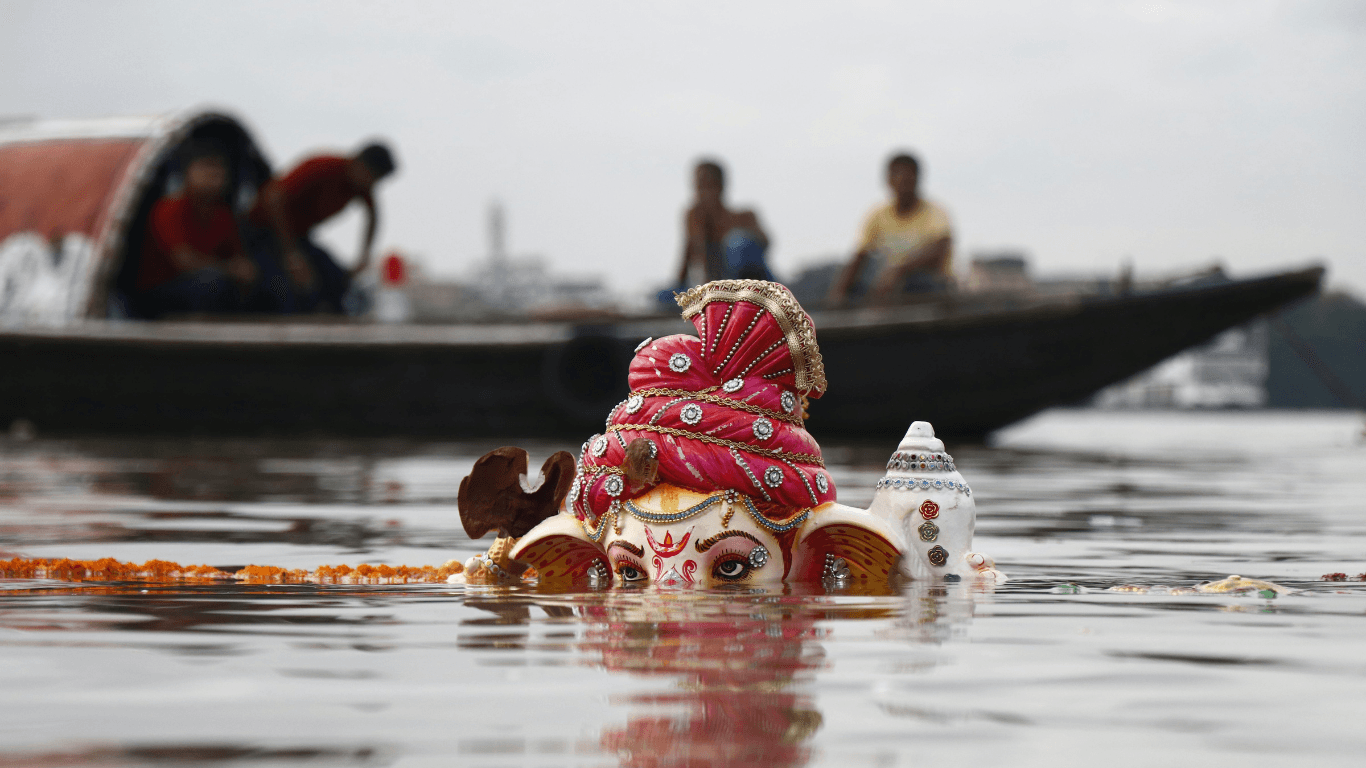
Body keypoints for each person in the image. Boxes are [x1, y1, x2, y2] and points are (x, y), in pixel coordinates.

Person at [248, 142, 397, 312]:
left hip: (298, 236)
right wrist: (291, 254)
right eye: (372, 178)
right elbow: (274, 198)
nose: (371, 186)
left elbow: (373, 215)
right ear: (360, 165)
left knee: (338, 280)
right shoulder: (324, 167)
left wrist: (364, 255)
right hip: (261, 230)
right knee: (283, 286)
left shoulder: (360, 186)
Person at [134, 140, 258, 317]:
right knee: (213, 282)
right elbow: (184, 261)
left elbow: (237, 255)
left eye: (220, 168)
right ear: (186, 172)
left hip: (206, 283)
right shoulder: (169, 209)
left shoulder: (222, 215)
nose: (214, 174)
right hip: (161, 292)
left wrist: (245, 270)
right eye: (206, 167)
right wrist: (231, 269)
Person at [828, 152, 954, 305]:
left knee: (918, 283)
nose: (902, 183)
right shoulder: (877, 215)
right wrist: (838, 293)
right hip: (889, 286)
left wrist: (899, 271)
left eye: (907, 178)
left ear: (917, 179)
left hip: (927, 285)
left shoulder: (935, 213)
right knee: (855, 291)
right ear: (888, 180)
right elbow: (860, 256)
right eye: (897, 177)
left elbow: (940, 250)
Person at [677, 159, 775, 286]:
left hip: (754, 284)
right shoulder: (695, 216)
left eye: (708, 186)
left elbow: (765, 243)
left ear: (720, 186)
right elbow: (691, 255)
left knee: (738, 243)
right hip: (718, 285)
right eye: (698, 187)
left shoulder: (744, 217)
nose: (702, 193)